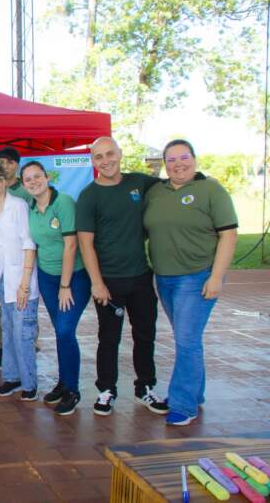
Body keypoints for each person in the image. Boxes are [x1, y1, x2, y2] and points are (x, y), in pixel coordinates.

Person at [144, 140, 238, 426]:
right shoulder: (156, 192)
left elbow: (229, 234)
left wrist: (216, 277)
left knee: (186, 341)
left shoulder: (210, 189)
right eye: (171, 160)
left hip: (196, 277)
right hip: (164, 278)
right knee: (188, 340)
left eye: (183, 157)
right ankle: (195, 393)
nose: (178, 164)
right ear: (164, 164)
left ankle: (183, 404)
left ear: (194, 159)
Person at [76, 136, 169, 416]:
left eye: (109, 154)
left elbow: (174, 186)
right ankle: (106, 390)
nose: (105, 161)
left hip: (140, 277)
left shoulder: (140, 183)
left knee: (145, 335)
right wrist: (97, 283)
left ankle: (146, 388)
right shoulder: (89, 195)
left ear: (120, 153)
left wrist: (201, 180)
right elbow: (85, 243)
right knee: (108, 339)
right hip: (109, 282)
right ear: (93, 162)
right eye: (98, 157)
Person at [21, 161, 91, 415]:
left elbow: (71, 245)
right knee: (60, 330)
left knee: (64, 330)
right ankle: (63, 382)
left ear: (47, 177)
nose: (33, 182)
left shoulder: (63, 203)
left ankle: (72, 389)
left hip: (72, 278)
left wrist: (65, 284)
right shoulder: (30, 207)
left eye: (37, 176)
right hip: (47, 278)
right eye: (27, 179)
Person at [0, 164, 40, 401]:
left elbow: (29, 243)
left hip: (22, 277)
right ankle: (12, 377)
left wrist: (25, 282)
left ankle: (29, 383)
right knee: (6, 329)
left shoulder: (19, 206)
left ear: (6, 181)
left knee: (23, 332)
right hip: (2, 278)